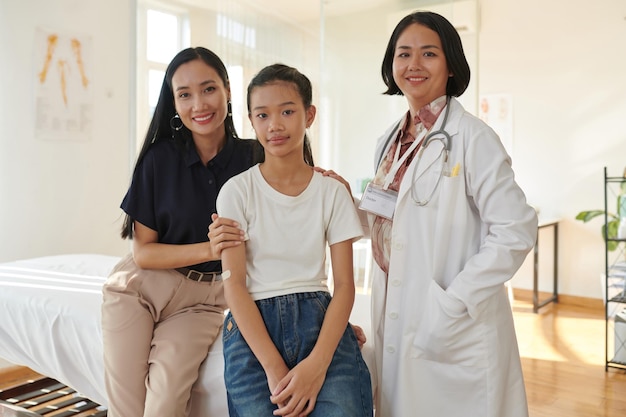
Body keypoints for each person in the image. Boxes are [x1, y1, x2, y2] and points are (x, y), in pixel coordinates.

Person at [210, 11, 537, 417]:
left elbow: (516, 231)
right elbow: (394, 222)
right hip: (402, 313)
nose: (414, 65)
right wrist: (345, 203)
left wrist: (454, 303)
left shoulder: (473, 138)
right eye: (404, 54)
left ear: (451, 64)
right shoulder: (391, 142)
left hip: (453, 319)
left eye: (428, 54)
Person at [101, 46, 263, 417]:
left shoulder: (254, 157)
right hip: (140, 289)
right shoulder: (159, 159)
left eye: (208, 89)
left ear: (227, 90)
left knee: (165, 405)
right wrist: (211, 248)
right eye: (184, 95)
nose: (199, 104)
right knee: (127, 409)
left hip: (204, 302)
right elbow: (144, 253)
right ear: (173, 103)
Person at [215, 63, 373, 417]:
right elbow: (235, 287)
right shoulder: (235, 192)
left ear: (309, 115)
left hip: (318, 318)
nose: (275, 125)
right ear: (252, 122)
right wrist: (274, 368)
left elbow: (345, 285)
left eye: (287, 111)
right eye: (263, 115)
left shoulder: (332, 192)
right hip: (251, 328)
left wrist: (317, 365)